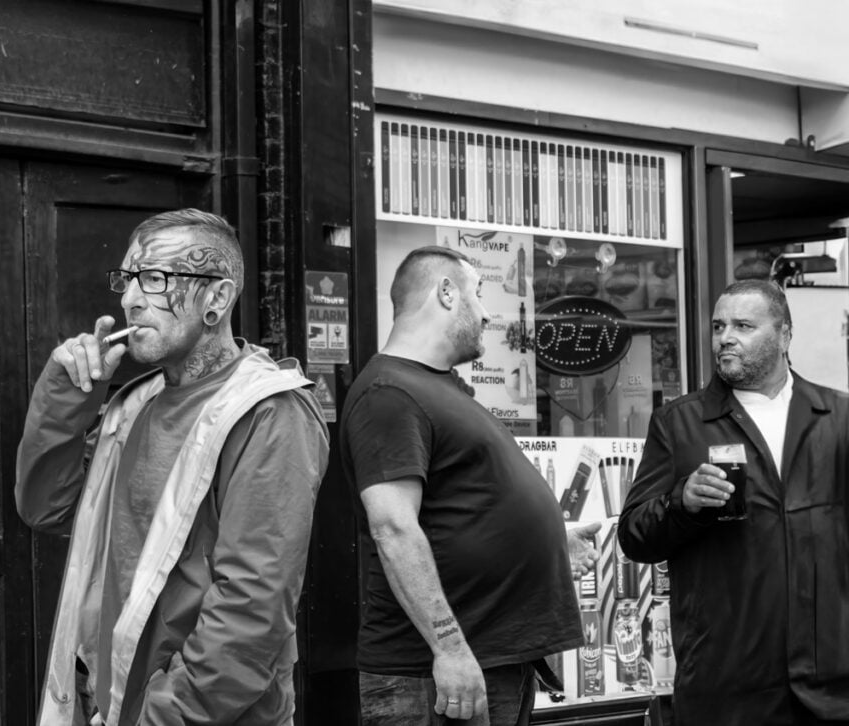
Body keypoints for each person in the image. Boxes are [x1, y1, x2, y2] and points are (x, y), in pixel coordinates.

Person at [16, 209, 330, 726]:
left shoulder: (269, 411)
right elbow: (45, 509)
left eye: (157, 279)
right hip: (115, 703)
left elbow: (251, 609)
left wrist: (163, 714)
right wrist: (66, 397)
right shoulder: (137, 401)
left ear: (217, 298)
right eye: (128, 279)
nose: (130, 298)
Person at [339, 245, 599, 726]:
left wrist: (547, 540)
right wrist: (449, 649)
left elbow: (462, 505)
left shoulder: (439, 388)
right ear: (445, 292)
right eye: (478, 295)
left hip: (491, 659)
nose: (486, 313)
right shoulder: (388, 394)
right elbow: (393, 528)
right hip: (435, 675)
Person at [618, 279, 849, 726]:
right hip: (727, 687)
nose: (726, 337)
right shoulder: (680, 423)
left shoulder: (837, 417)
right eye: (719, 325)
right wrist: (681, 503)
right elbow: (634, 537)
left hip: (831, 688)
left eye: (743, 325)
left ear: (784, 335)